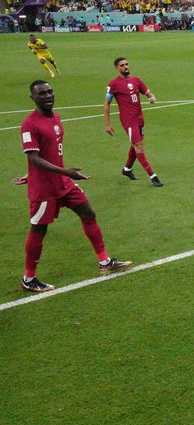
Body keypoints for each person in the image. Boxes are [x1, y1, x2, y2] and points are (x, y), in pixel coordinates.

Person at [19, 80, 132, 293]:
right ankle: (28, 278)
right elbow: (33, 158)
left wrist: (48, 173)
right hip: (44, 188)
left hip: (63, 182)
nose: (48, 96)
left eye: (50, 92)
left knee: (88, 213)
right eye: (42, 94)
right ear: (32, 98)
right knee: (39, 229)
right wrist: (60, 172)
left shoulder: (56, 118)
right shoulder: (29, 124)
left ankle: (104, 261)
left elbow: (48, 153)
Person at [104, 57, 163, 187]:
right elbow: (107, 104)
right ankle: (153, 176)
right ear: (117, 68)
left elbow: (148, 93)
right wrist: (107, 124)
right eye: (122, 65)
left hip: (139, 119)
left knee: (135, 144)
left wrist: (152, 97)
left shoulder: (136, 80)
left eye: (126, 64)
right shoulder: (113, 84)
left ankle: (127, 169)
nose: (125, 67)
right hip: (128, 121)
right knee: (138, 145)